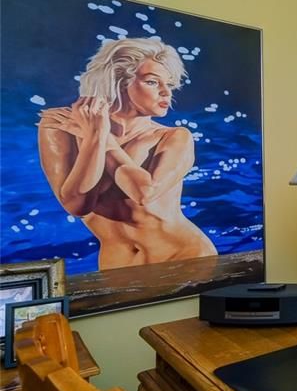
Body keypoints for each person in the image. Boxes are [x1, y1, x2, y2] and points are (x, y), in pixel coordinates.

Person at [37, 38, 216, 270]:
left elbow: (143, 192)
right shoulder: (60, 126)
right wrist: (93, 137)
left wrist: (101, 136)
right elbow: (77, 205)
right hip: (118, 268)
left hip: (185, 256)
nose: (166, 93)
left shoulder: (174, 137)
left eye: (169, 85)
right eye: (153, 82)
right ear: (118, 82)